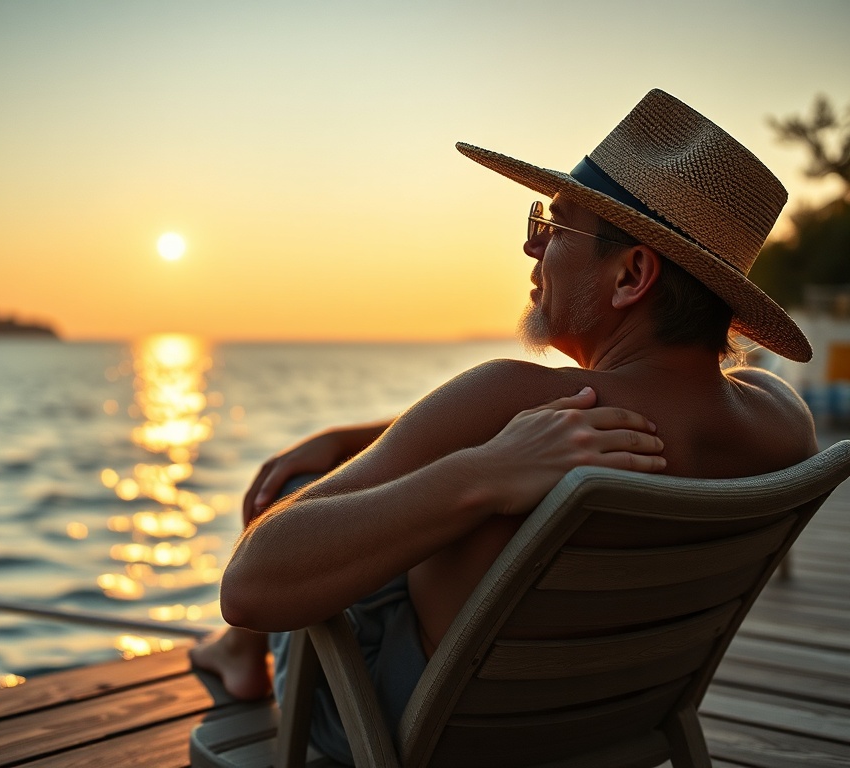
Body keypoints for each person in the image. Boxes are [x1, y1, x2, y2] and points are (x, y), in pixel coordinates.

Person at [191, 89, 818, 763]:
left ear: (631, 274)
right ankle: (234, 653)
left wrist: (480, 472)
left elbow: (251, 585)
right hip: (615, 714)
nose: (531, 246)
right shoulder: (781, 423)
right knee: (380, 478)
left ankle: (235, 656)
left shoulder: (509, 396)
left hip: (417, 728)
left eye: (555, 227)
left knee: (308, 489)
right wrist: (367, 439)